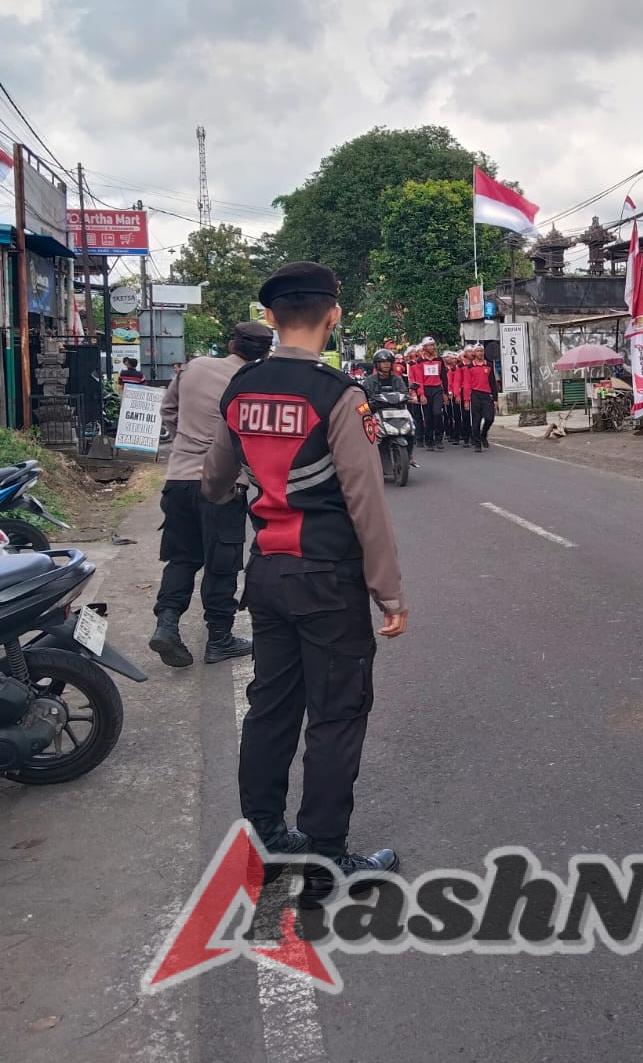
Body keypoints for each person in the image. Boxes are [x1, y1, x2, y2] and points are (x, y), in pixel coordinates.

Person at [202, 260, 406, 887]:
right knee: (337, 715)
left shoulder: (241, 388)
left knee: (269, 709)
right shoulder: (339, 394)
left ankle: (264, 843)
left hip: (267, 575)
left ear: (269, 317)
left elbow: (213, 481)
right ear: (334, 314)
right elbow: (365, 500)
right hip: (327, 582)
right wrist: (389, 592)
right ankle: (324, 859)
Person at [148, 321, 273, 668]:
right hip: (223, 485)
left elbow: (168, 411)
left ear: (232, 343)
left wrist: (186, 441)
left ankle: (167, 624)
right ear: (265, 352)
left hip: (178, 479)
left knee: (183, 557)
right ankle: (219, 639)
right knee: (222, 564)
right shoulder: (257, 382)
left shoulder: (196, 366)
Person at [464, 343, 497, 450]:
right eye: (477, 351)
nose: (480, 353)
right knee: (476, 420)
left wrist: (495, 398)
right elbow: (467, 384)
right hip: (475, 394)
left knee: (489, 418)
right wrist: (466, 400)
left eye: (481, 351)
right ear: (474, 353)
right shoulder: (470, 367)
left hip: (486, 395)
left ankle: (483, 435)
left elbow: (493, 383)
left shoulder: (489, 365)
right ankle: (477, 443)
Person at [415, 338, 446, 450]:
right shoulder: (419, 362)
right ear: (424, 348)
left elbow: (444, 376)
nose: (432, 347)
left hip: (437, 389)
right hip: (426, 390)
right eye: (429, 345)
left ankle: (438, 438)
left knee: (437, 413)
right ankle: (429, 440)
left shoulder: (439, 360)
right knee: (428, 417)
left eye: (433, 345)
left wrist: (446, 393)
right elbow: (419, 380)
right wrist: (421, 394)